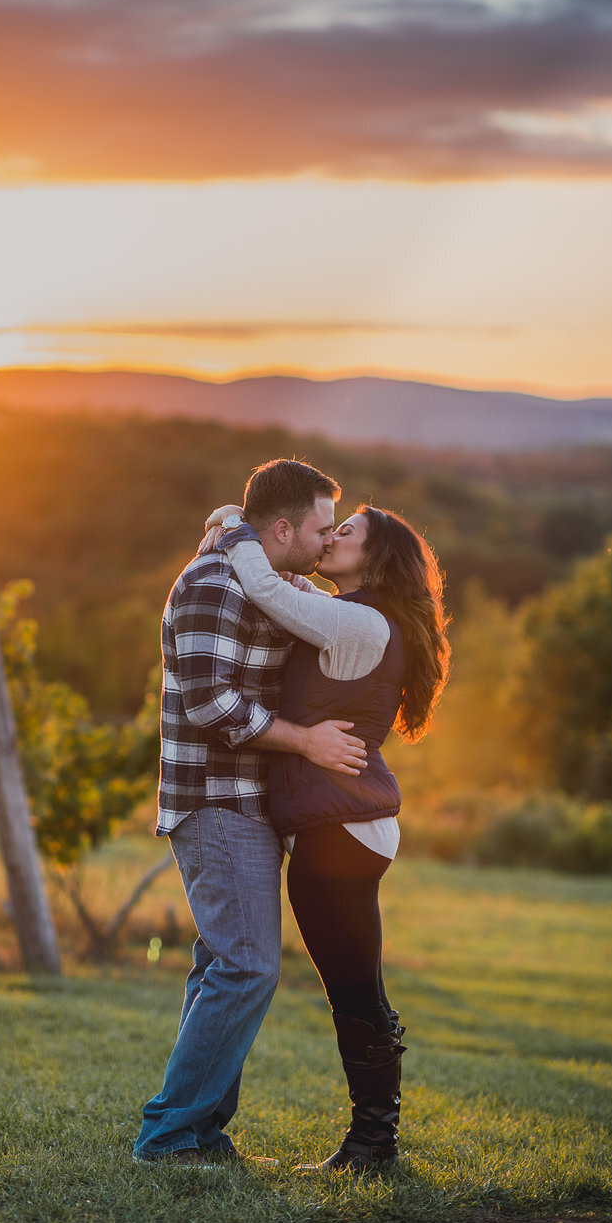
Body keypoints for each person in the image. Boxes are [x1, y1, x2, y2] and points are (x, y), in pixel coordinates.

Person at [132, 459, 371, 1167]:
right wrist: (306, 741)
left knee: (221, 967)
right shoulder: (211, 584)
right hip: (214, 801)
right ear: (284, 528)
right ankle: (169, 1136)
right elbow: (211, 705)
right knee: (248, 968)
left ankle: (199, 1133)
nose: (330, 542)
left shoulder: (272, 582)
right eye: (323, 529)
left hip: (249, 805)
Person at [205, 501, 451, 1172]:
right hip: (347, 828)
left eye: (347, 533)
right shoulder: (363, 617)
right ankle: (376, 1143)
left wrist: (237, 532)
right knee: (358, 990)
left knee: (355, 994)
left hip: (339, 833)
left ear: (375, 557)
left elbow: (263, 586)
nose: (332, 538)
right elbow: (296, 592)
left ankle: (374, 1146)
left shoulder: (361, 622)